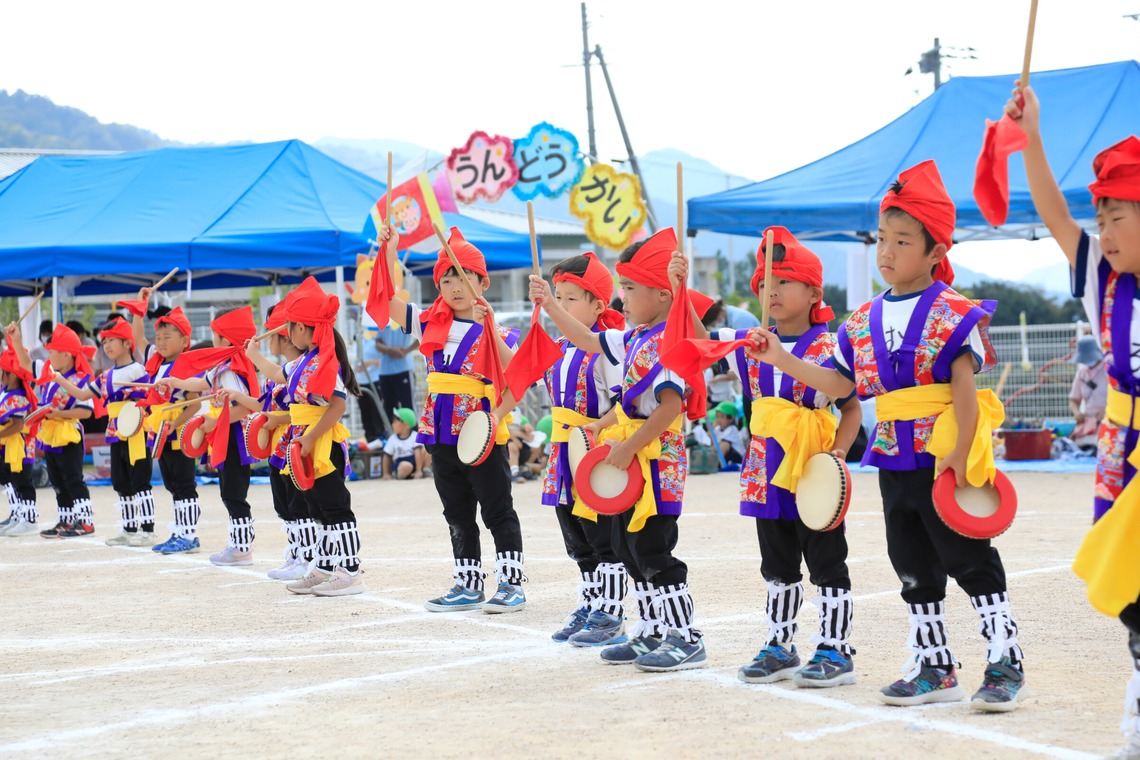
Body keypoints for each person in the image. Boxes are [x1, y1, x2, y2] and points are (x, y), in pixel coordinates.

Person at [750, 160, 1025, 710]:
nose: (887, 252)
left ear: (934, 252)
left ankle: (1005, 661)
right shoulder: (861, 321)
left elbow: (965, 391)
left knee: (970, 560)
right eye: (883, 238)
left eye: (903, 240)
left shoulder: (954, 313)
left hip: (943, 455)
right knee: (913, 567)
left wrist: (958, 453)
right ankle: (934, 665)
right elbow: (838, 383)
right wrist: (780, 357)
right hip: (894, 461)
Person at [1008, 84, 1140, 748]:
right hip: (1125, 450)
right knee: (1134, 592)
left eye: (1122, 216)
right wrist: (1030, 135)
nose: (1106, 231)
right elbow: (1055, 213)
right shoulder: (1102, 281)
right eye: (1104, 216)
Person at [532, 227, 708, 672]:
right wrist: (551, 306)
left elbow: (669, 409)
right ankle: (649, 630)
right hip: (629, 456)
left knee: (653, 549)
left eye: (630, 288)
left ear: (665, 295)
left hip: (655, 461)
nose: (622, 298)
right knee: (627, 546)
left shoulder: (672, 341)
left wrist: (627, 446)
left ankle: (685, 637)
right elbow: (590, 341)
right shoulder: (632, 339)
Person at [704, 228, 862, 687]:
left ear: (814, 292)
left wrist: (837, 456)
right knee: (776, 562)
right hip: (763, 468)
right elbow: (699, 340)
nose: (769, 290)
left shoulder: (833, 345)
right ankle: (780, 644)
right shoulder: (750, 344)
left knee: (827, 560)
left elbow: (849, 403)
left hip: (814, 468)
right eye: (763, 283)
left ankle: (836, 648)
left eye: (782, 281)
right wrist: (678, 291)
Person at [380, 224, 527, 613]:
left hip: (481, 430)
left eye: (464, 277)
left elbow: (519, 374)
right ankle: (468, 583)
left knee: (497, 507)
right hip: (440, 429)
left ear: (483, 281)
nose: (455, 287)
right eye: (447, 279)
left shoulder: (503, 332)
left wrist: (488, 327)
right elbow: (385, 301)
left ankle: (511, 584)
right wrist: (390, 252)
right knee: (456, 510)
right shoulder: (428, 322)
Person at [524, 251, 629, 646]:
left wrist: (596, 431)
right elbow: (518, 372)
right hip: (561, 449)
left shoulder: (608, 350)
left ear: (598, 304)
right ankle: (590, 600)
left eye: (571, 299)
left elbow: (626, 405)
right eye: (559, 297)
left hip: (594, 451)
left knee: (603, 535)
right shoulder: (557, 346)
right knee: (574, 532)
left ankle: (612, 610)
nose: (562, 305)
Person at [247, 277, 366, 596]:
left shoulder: (328, 362)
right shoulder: (302, 362)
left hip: (321, 442)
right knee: (316, 508)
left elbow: (337, 405)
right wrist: (254, 355)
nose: (286, 332)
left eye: (290, 326)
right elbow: (276, 374)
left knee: (336, 507)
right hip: (304, 440)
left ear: (302, 329)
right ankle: (325, 566)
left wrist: (312, 438)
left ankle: (351, 570)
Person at [157, 306, 259, 567]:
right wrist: (175, 382)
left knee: (234, 493)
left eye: (215, 334)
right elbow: (199, 383)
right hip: (223, 433)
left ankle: (242, 548)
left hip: (233, 434)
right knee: (229, 491)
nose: (212, 339)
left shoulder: (232, 368)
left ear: (225, 338)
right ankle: (238, 546)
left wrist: (214, 420)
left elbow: (246, 406)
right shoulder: (222, 365)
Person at [227, 299, 317, 581]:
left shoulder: (300, 369)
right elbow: (263, 406)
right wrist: (236, 397)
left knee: (300, 503)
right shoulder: (278, 372)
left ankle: (308, 556)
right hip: (279, 449)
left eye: (268, 333)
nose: (264, 341)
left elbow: (302, 411)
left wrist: (277, 420)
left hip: (297, 443)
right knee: (284, 503)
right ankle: (296, 553)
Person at [57, 318, 158, 547]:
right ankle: (129, 528)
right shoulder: (106, 375)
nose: (107, 345)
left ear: (126, 343)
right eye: (104, 341)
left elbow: (148, 397)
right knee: (121, 482)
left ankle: (148, 529)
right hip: (115, 431)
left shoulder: (139, 370)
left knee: (140, 481)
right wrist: (60, 379)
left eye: (112, 340)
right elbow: (83, 396)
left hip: (136, 431)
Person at [128, 298, 205, 555]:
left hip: (179, 433)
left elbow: (194, 405)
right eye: (158, 336)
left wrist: (175, 424)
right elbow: (137, 337)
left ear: (184, 341)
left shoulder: (186, 367)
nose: (159, 342)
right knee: (172, 484)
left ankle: (189, 534)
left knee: (184, 484)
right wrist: (141, 306)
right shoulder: (156, 360)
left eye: (167, 337)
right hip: (160, 432)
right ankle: (179, 532)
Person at [12, 324, 96, 538]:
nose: (48, 354)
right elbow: (26, 363)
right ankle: (66, 520)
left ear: (66, 354)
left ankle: (85, 521)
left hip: (68, 435)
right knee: (57, 480)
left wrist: (55, 413)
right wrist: (16, 339)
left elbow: (85, 412)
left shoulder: (80, 379)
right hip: (50, 434)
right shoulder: (50, 370)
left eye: (52, 351)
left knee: (73, 478)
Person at [0, 333, 39, 536]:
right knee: (12, 481)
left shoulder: (18, 397)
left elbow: (17, 425)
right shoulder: (5, 391)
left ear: (13, 375)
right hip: (9, 445)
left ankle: (29, 519)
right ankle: (18, 515)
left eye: (3, 371)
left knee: (23, 481)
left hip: (20, 445)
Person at [375, 322, 419, 430]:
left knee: (408, 405)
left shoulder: (406, 316)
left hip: (404, 369)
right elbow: (377, 343)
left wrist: (406, 351)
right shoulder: (382, 320)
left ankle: (413, 437)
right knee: (388, 407)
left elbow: (423, 336)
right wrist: (390, 349)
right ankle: (393, 436)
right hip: (385, 371)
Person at [1068, 335, 1107, 450]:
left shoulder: (1108, 369)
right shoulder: (1081, 372)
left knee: (1101, 441)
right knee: (1076, 441)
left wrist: (1106, 412)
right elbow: (1074, 399)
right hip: (1088, 420)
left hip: (1108, 419)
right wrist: (1077, 413)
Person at [382, 407, 425, 480]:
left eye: (395, 422)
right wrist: (385, 473)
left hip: (415, 462)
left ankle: (424, 471)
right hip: (401, 464)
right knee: (406, 466)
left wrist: (418, 470)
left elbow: (417, 453)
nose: (392, 424)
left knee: (426, 450)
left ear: (406, 425)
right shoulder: (393, 439)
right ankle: (399, 475)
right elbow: (387, 456)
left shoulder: (414, 436)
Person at [711, 400, 745, 465]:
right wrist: (712, 429)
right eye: (717, 416)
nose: (718, 419)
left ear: (731, 418)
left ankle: (713, 464)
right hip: (725, 457)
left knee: (724, 444)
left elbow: (723, 445)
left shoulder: (732, 429)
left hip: (737, 457)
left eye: (722, 417)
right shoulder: (717, 429)